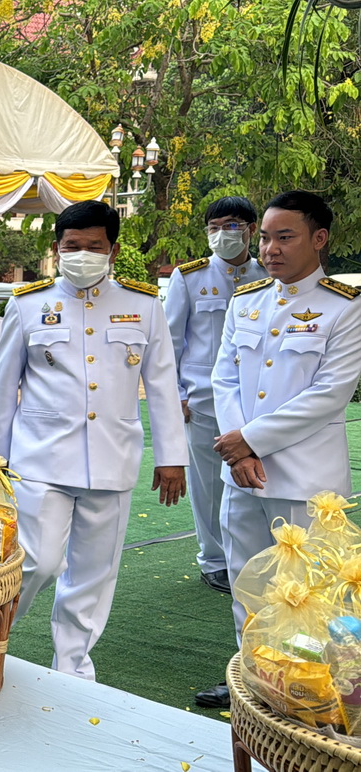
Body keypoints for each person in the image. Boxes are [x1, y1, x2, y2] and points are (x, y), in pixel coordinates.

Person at [0, 200, 187, 680]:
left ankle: (73, 668)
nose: (82, 255)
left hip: (112, 458)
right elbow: (2, 388)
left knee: (93, 576)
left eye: (93, 247)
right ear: (56, 250)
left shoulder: (142, 306)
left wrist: (171, 457)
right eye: (72, 247)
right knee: (35, 561)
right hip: (40, 458)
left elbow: (161, 383)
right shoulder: (28, 304)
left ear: (112, 250)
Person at [195, 191, 361, 708]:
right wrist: (238, 451)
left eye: (283, 237)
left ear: (319, 238)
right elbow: (224, 377)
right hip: (242, 472)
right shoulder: (247, 302)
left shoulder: (345, 308)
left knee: (310, 590)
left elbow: (330, 393)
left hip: (305, 478)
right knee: (248, 581)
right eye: (264, 237)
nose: (268, 248)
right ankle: (251, 674)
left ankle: (310, 684)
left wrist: (252, 439)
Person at [163, 196, 266, 595]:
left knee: (253, 479)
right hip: (202, 399)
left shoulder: (268, 274)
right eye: (215, 226)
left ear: (251, 229)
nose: (223, 234)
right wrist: (176, 396)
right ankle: (214, 559)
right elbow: (169, 343)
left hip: (256, 400)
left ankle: (253, 553)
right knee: (209, 485)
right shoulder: (190, 277)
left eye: (232, 225)